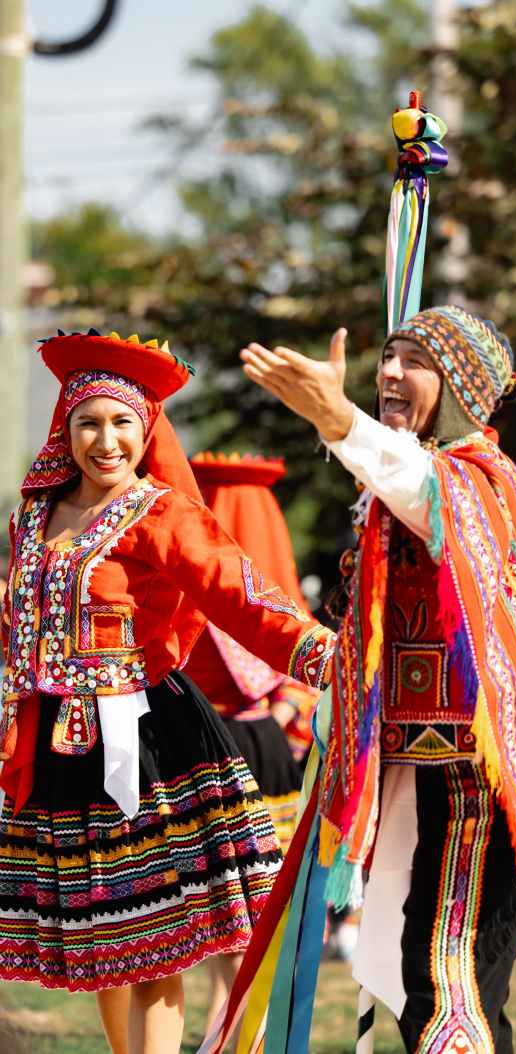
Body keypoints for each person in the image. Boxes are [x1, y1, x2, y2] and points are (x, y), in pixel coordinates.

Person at [240, 306, 516, 1053]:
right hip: (418, 773)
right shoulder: (420, 483)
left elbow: (419, 485)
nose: (388, 373)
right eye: (388, 356)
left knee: (447, 993)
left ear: (463, 388)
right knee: (427, 988)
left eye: (414, 361)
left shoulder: (477, 484)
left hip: (474, 785)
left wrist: (340, 421)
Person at [0, 331, 334, 1054]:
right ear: (66, 426)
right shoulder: (33, 519)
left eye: (122, 423)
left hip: (145, 744)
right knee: (101, 948)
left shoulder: (159, 512)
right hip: (60, 750)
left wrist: (325, 656)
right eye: (89, 422)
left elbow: (238, 595)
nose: (106, 440)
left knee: (154, 946)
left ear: (146, 428)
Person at [186, 450, 319, 1032]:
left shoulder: (185, 581)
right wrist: (284, 709)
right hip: (257, 742)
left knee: (226, 917)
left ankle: (231, 1027)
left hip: (196, 746)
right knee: (252, 912)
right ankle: (237, 1030)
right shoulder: (277, 593)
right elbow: (306, 678)